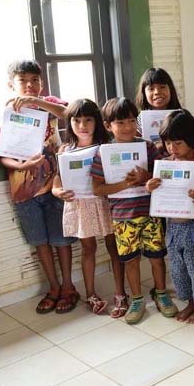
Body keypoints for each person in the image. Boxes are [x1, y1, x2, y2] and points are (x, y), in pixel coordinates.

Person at [0, 59, 76, 314]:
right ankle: (53, 287)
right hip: (23, 189)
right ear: (11, 84)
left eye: (34, 80)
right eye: (23, 81)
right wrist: (21, 166)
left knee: (61, 239)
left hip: (55, 184)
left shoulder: (48, 103)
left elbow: (70, 113)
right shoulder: (4, 113)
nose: (30, 85)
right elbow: (0, 154)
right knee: (40, 241)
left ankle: (69, 287)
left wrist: (37, 102)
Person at [91, 98, 174, 324]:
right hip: (122, 218)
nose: (128, 127)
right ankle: (137, 299)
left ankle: (161, 294)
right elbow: (97, 188)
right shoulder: (103, 153)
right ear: (108, 126)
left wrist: (145, 177)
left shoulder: (146, 146)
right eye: (120, 122)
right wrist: (126, 184)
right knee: (130, 260)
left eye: (131, 121)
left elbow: (162, 174)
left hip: (151, 214)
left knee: (157, 258)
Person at [52, 99, 120, 315]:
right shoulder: (66, 149)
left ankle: (120, 293)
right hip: (81, 205)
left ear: (97, 121)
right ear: (69, 123)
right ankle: (90, 294)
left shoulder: (106, 146)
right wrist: (57, 192)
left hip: (105, 201)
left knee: (114, 246)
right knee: (88, 248)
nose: (82, 125)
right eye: (77, 120)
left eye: (88, 120)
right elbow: (57, 180)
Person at [145, 110, 194, 324]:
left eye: (178, 143)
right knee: (178, 269)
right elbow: (159, 192)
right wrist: (150, 186)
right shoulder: (165, 165)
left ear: (192, 142)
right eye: (168, 143)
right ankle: (191, 302)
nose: (172, 148)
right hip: (172, 226)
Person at [134, 68, 183, 155]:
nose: (157, 92)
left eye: (162, 87)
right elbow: (136, 145)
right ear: (143, 93)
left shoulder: (182, 116)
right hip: (150, 164)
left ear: (170, 89)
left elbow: (193, 144)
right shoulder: (141, 119)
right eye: (151, 89)